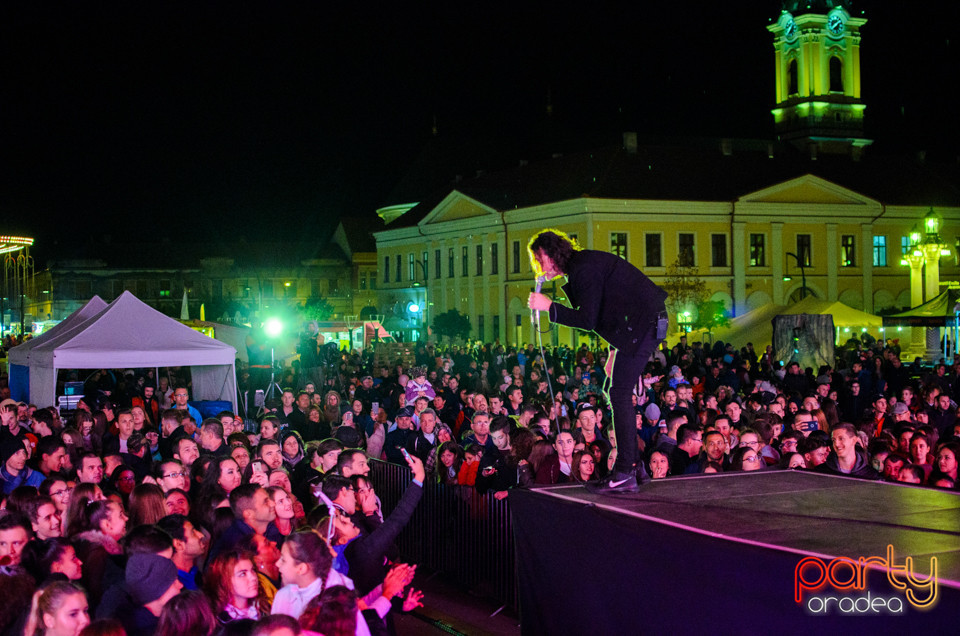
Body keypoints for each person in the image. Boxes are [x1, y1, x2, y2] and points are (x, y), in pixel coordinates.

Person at [527, 229, 667, 492]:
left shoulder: (584, 269)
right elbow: (609, 309)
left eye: (539, 258)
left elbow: (587, 320)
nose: (537, 265)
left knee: (619, 393)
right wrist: (616, 349)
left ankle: (626, 470)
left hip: (642, 324)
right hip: (638, 326)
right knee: (617, 391)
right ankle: (635, 469)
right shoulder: (582, 266)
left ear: (550, 254)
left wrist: (549, 307)